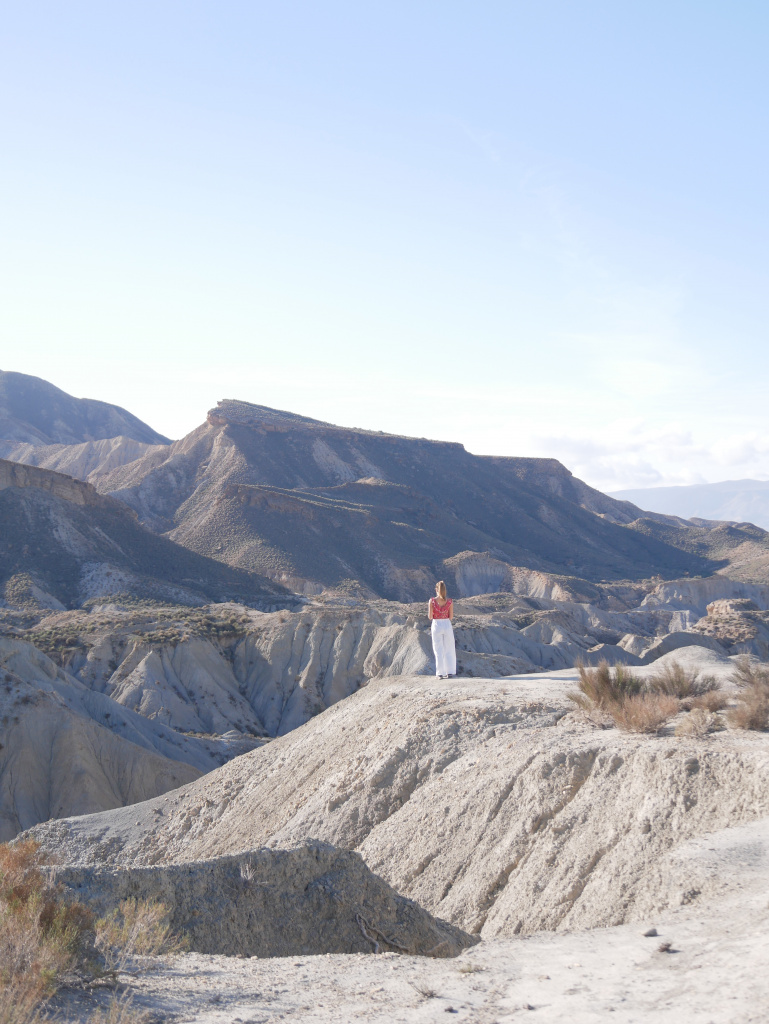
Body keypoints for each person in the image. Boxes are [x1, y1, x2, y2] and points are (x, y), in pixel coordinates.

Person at [428, 580, 456, 679]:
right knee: (449, 648)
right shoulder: (450, 602)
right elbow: (451, 617)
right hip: (447, 624)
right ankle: (450, 672)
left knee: (438, 649)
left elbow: (430, 617)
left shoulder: (432, 601)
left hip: (436, 624)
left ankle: (440, 673)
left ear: (436, 590)